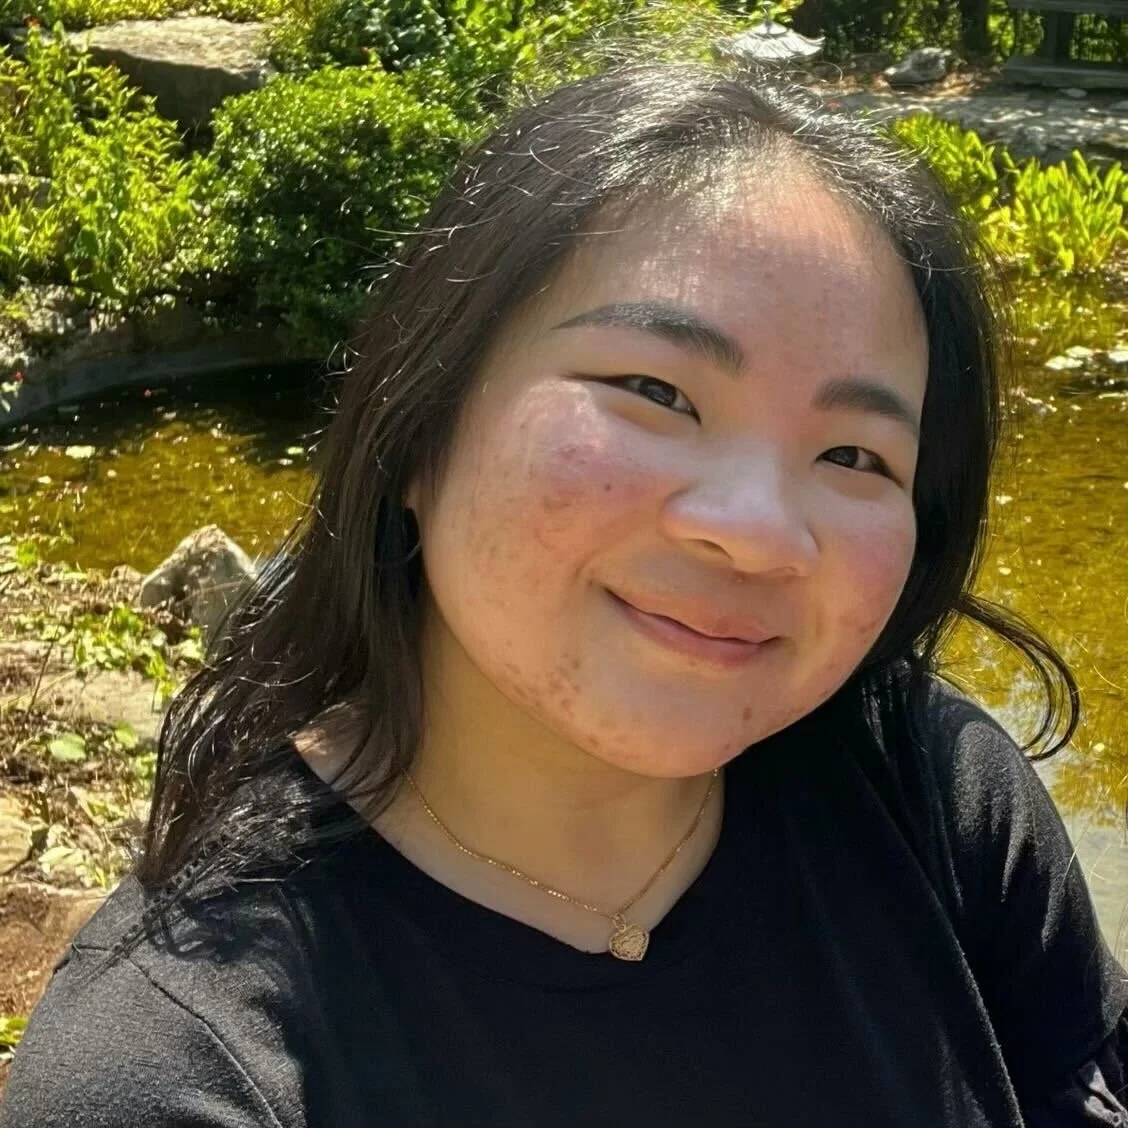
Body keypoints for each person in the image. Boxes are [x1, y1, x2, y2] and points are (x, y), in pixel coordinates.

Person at [2, 54, 1126, 1128]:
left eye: (855, 457)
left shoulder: (930, 793)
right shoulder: (184, 1073)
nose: (759, 533)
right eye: (654, 389)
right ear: (417, 430)